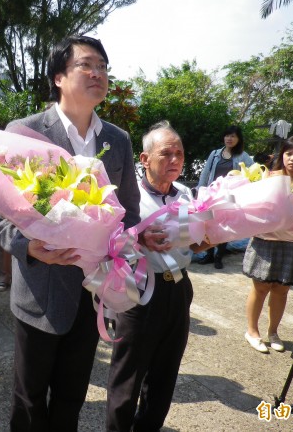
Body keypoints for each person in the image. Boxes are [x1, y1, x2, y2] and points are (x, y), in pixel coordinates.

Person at [0, 35, 141, 431]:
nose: (98, 74)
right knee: (29, 397)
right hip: (40, 288)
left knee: (72, 396)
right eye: (87, 65)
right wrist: (29, 248)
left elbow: (129, 211)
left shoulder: (117, 141)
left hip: (93, 294)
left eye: (104, 67)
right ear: (58, 76)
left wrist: (129, 248)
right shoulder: (25, 131)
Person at [106, 122, 210, 432]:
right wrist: (137, 239)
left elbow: (196, 240)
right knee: (128, 378)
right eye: (166, 153)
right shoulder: (128, 196)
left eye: (179, 153)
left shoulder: (186, 194)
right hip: (140, 290)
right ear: (144, 159)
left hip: (178, 288)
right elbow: (108, 241)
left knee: (165, 374)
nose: (175, 160)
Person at [243, 135, 293, 354]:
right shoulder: (268, 177)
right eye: (289, 154)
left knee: (281, 289)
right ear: (282, 155)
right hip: (266, 240)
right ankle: (252, 331)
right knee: (260, 288)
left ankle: (273, 331)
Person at [197, 125, 254, 269]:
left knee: (224, 225)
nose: (229, 139)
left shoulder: (243, 156)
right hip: (212, 194)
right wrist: (200, 189)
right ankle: (208, 254)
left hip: (229, 196)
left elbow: (253, 172)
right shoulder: (215, 153)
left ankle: (218, 256)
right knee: (208, 223)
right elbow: (205, 172)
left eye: (233, 136)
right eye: (227, 135)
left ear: (238, 139)